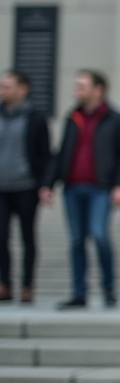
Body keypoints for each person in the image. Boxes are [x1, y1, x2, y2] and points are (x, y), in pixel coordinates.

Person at [41, 70, 120, 310]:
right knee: (76, 240)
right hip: (72, 187)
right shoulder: (72, 117)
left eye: (82, 86)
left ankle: (108, 288)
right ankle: (79, 293)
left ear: (98, 89)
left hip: (101, 188)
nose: (76, 90)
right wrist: (48, 184)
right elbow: (61, 154)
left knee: (99, 234)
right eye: (76, 86)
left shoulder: (115, 119)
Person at [0, 71, 51, 304]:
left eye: (7, 86)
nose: (3, 90)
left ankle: (27, 284)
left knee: (27, 237)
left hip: (27, 186)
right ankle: (4, 284)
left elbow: (46, 155)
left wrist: (45, 185)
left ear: (23, 89)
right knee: (1, 237)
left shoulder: (36, 118)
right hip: (1, 186)